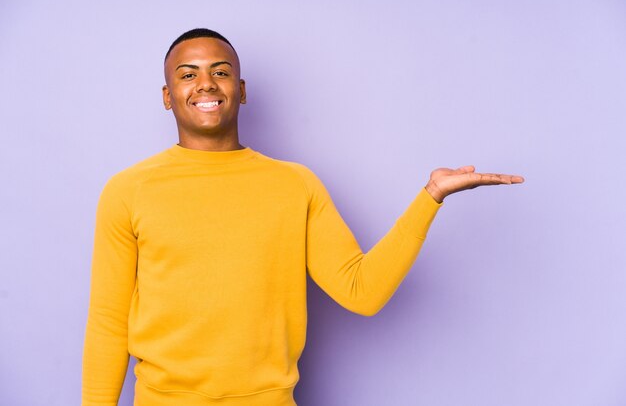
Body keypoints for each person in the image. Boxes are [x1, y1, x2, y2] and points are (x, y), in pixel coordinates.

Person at [81, 28, 524, 406]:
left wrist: (430, 197)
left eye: (220, 71)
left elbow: (361, 291)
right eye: (187, 74)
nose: (206, 84)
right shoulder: (128, 190)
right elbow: (108, 322)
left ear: (242, 89)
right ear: (167, 96)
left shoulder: (295, 184)